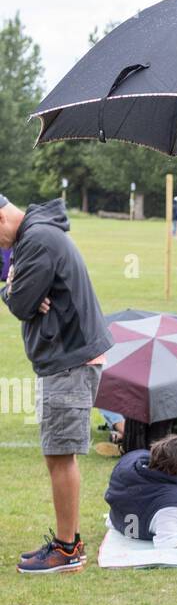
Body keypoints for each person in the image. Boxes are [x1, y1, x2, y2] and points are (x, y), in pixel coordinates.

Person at [0, 192, 112, 573]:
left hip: (69, 360)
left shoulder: (37, 241)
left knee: (61, 455)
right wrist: (15, 287)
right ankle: (68, 542)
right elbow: (19, 296)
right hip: (67, 358)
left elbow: (18, 303)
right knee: (57, 453)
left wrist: (16, 288)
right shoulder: (36, 235)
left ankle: (67, 549)